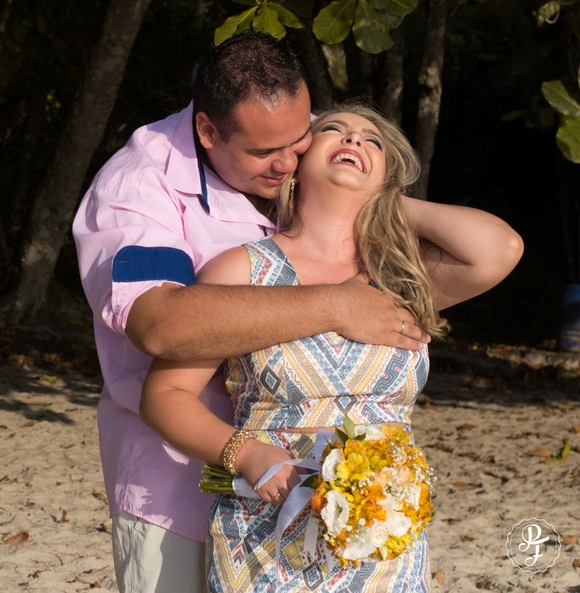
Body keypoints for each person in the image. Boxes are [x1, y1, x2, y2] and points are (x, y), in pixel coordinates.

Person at [73, 33, 448, 593]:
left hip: (319, 498)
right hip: (174, 482)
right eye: (265, 152)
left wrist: (375, 196)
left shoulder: (297, 138)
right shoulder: (139, 186)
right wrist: (334, 304)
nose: (289, 163)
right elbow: (161, 324)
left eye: (300, 141)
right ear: (208, 132)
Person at [138, 103, 522, 592]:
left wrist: (381, 199)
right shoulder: (241, 270)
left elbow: (500, 249)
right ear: (297, 161)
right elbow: (165, 395)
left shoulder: (401, 278)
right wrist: (244, 453)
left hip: (382, 537)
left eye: (372, 141)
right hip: (265, 532)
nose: (354, 140)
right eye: (334, 130)